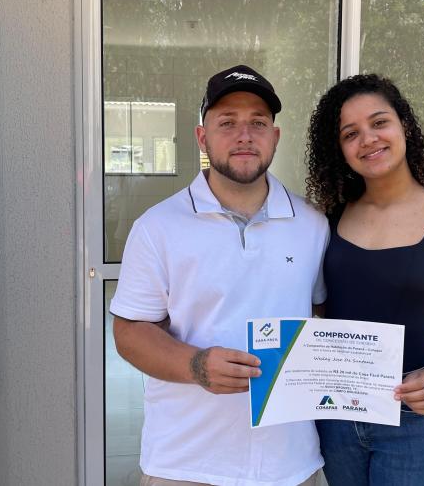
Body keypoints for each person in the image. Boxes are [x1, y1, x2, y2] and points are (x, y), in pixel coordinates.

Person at [111, 65, 328, 486]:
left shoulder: (312, 224)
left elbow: (329, 313)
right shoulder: (158, 226)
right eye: (227, 122)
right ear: (202, 137)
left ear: (275, 137)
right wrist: (195, 366)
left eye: (258, 123)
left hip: (289, 462)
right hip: (185, 463)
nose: (244, 135)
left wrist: (416, 340)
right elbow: (130, 331)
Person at [305, 74, 424, 485]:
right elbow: (322, 308)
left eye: (379, 123)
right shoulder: (329, 217)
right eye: (350, 133)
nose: (368, 140)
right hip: (338, 410)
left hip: (413, 415)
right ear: (338, 149)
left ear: (404, 126)